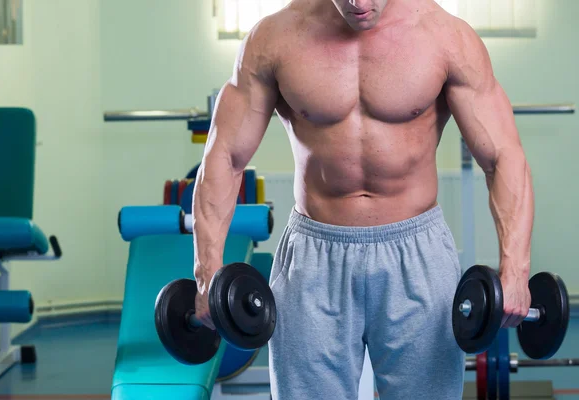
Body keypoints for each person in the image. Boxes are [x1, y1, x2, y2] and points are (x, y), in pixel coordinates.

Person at [191, 0, 535, 398]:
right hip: (314, 258)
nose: (358, 3)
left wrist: (515, 270)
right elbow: (225, 157)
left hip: (417, 256)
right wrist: (206, 273)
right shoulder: (274, 39)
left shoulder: (446, 37)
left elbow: (502, 156)